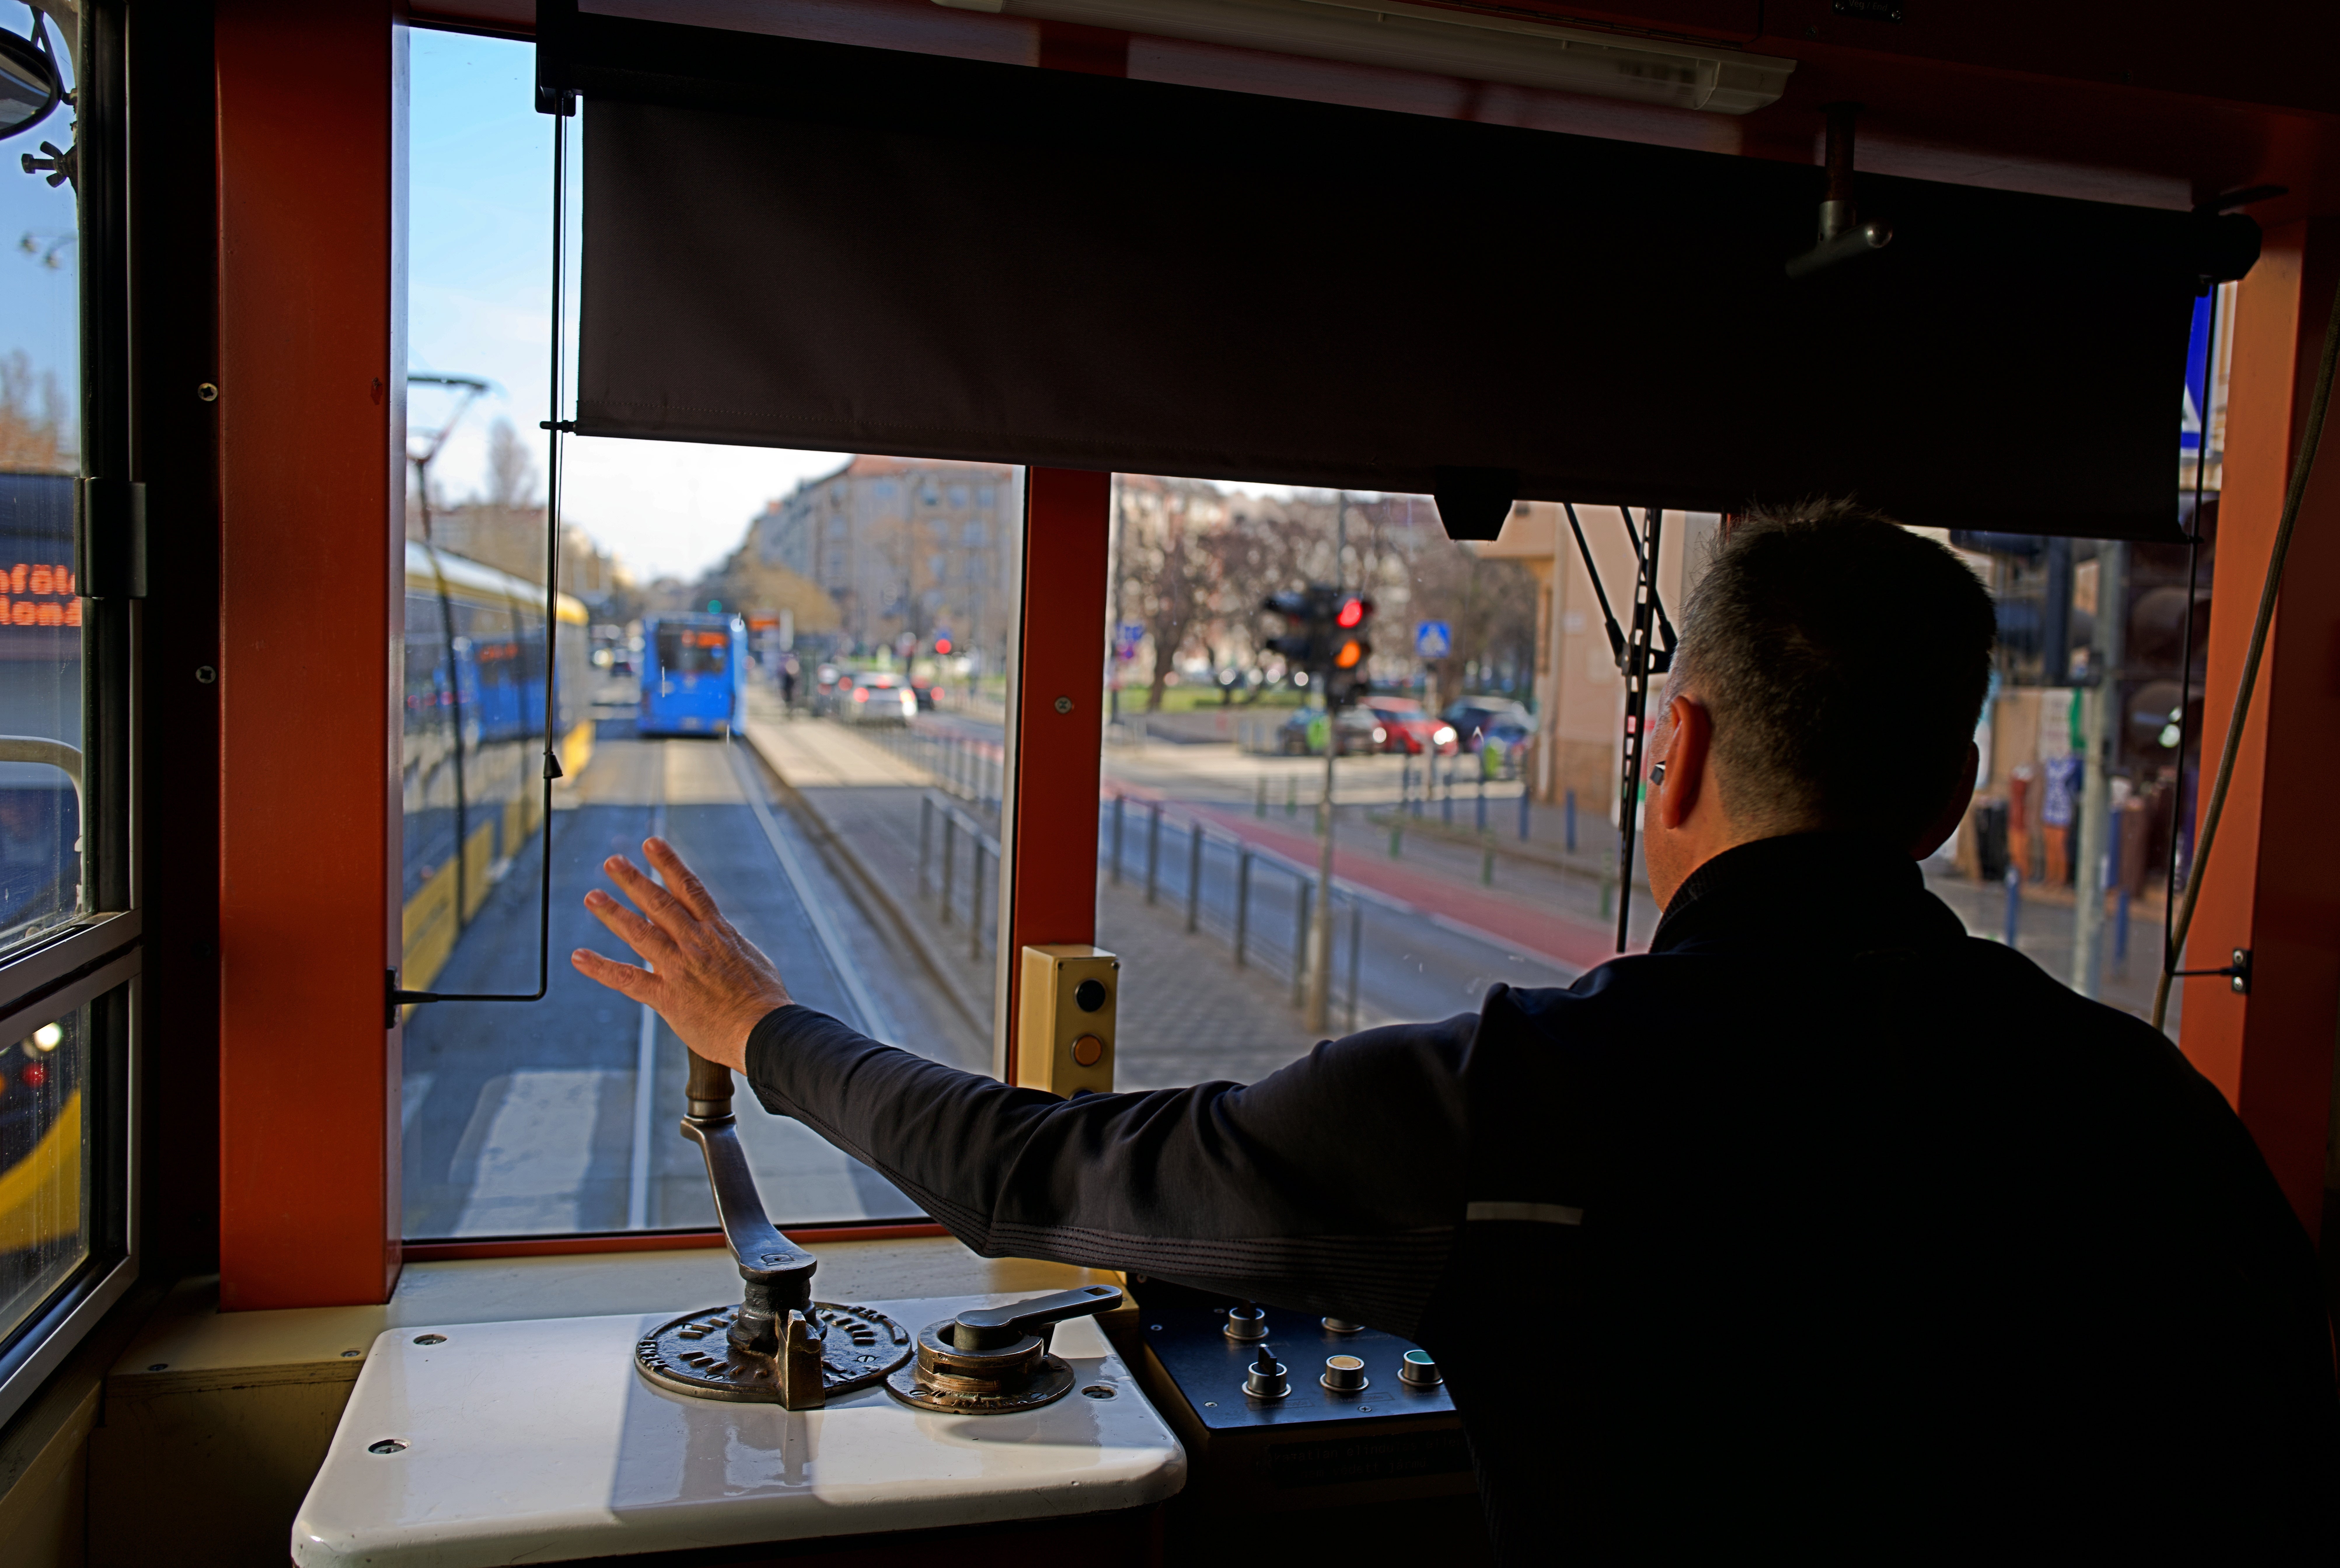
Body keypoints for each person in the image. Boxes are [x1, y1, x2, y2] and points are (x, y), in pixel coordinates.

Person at [572, 503, 2337, 1559]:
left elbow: (1032, 1169)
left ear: (1679, 760)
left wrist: (762, 1020)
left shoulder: (1511, 1108)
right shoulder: (2146, 1103)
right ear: (1950, 797)